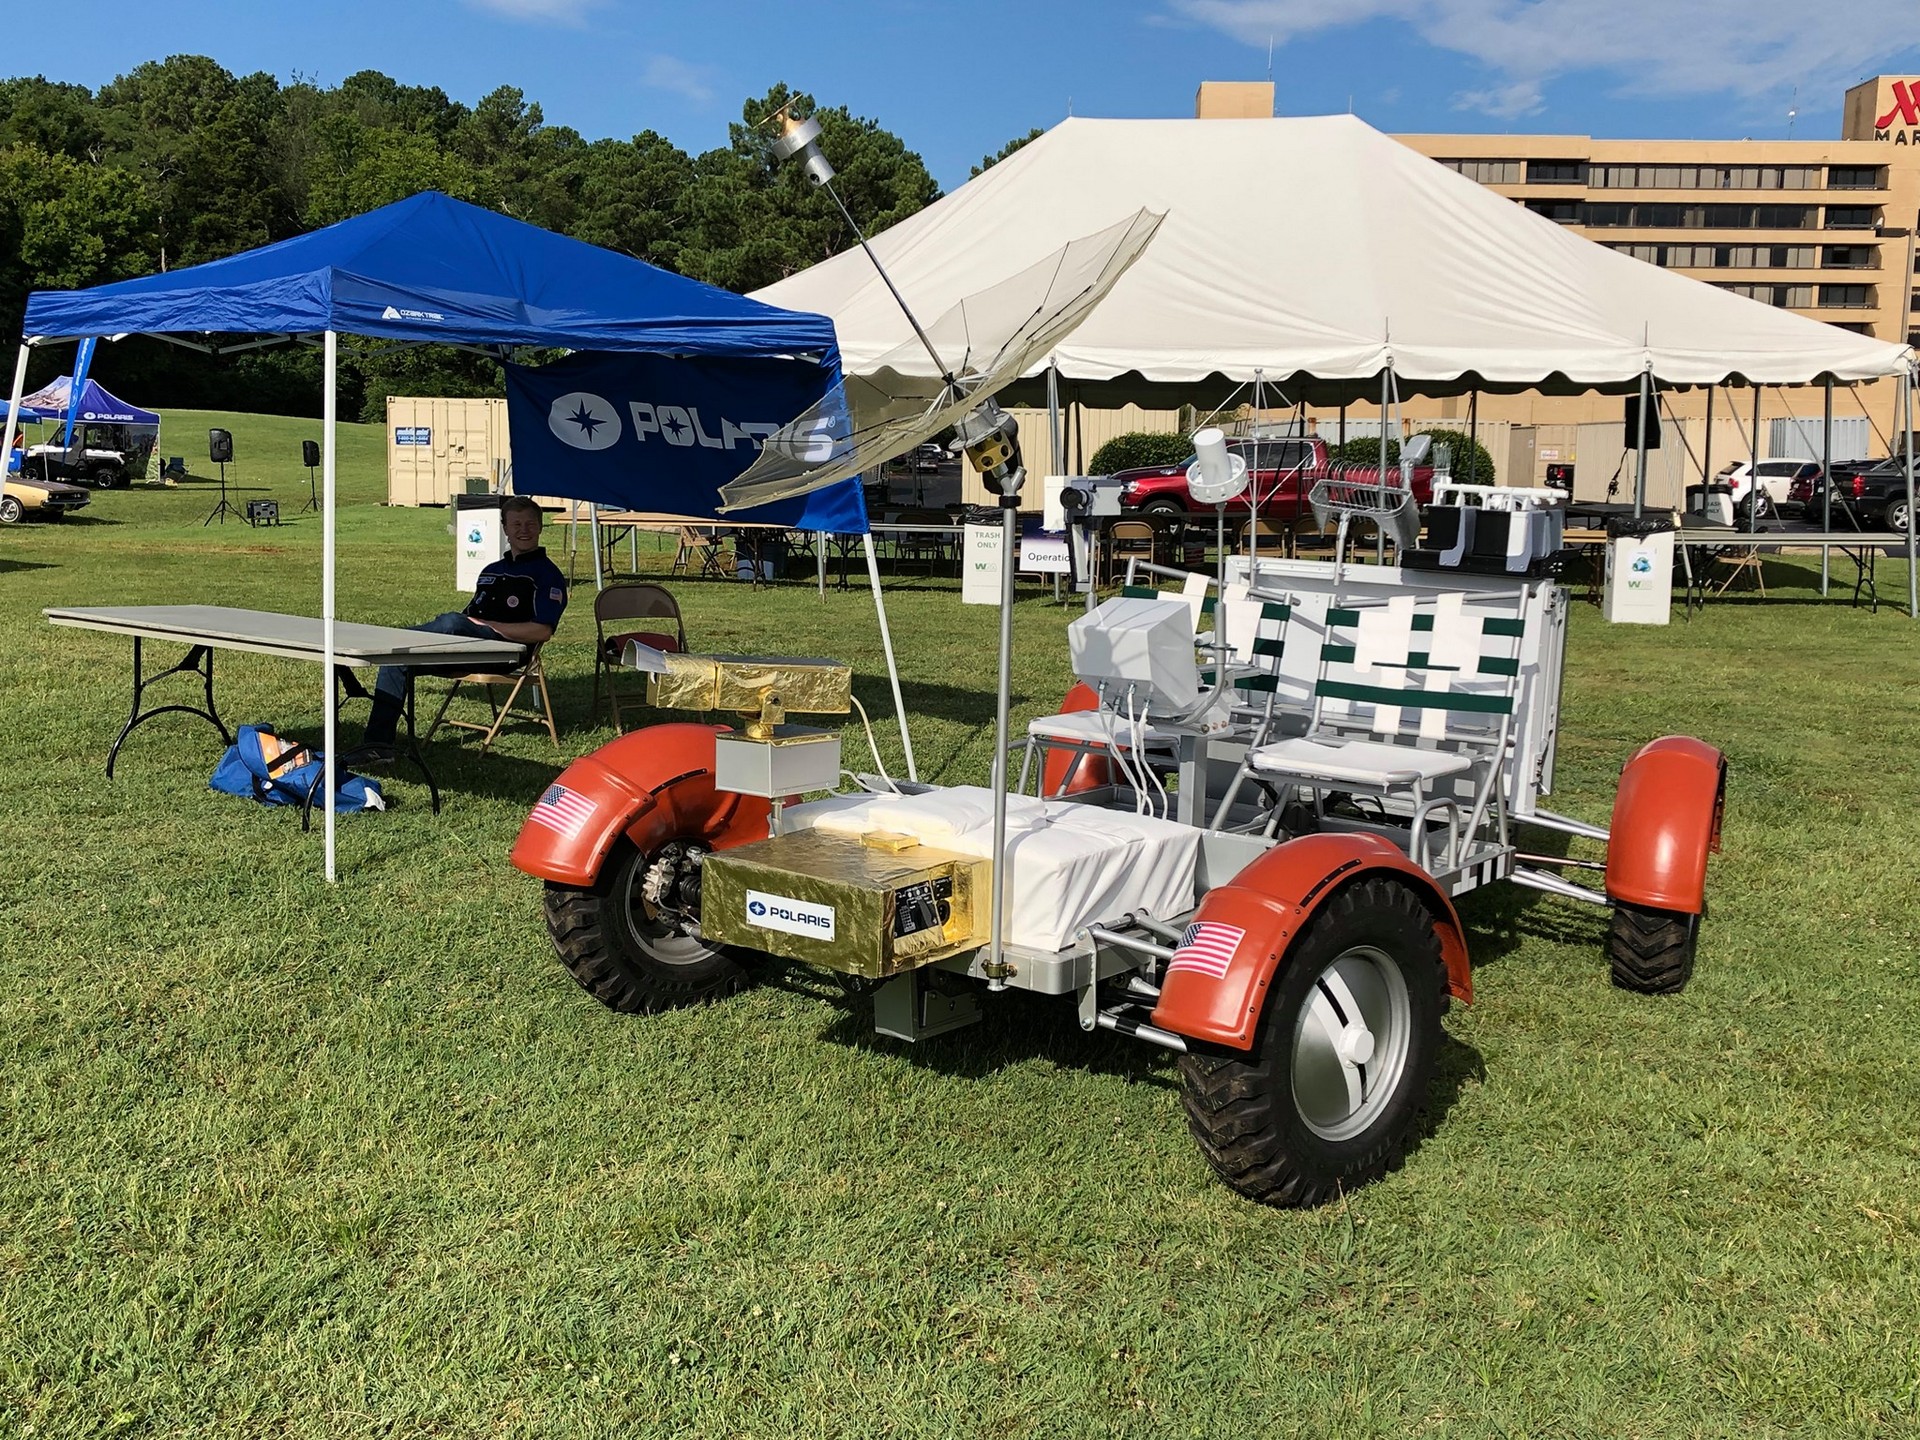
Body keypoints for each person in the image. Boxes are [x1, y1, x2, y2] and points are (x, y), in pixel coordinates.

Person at [355, 495, 567, 760]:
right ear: (505, 529)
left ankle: (393, 639)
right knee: (396, 661)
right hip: (469, 647)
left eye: (530, 524)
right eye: (516, 524)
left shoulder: (547, 575)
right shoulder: (492, 570)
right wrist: (470, 625)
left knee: (452, 622)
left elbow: (542, 632)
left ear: (540, 527)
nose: (523, 530)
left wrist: (488, 625)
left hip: (506, 651)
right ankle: (377, 747)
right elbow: (471, 616)